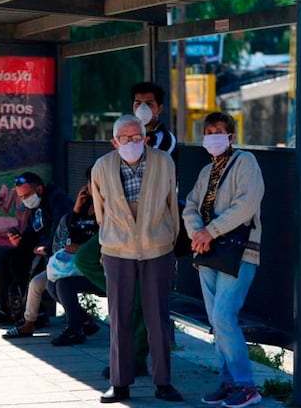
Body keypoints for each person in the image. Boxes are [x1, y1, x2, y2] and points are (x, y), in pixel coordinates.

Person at [74, 81, 178, 379]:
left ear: (159, 108)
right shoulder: (120, 142)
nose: (142, 108)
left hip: (153, 228)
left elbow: (165, 190)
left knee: (151, 304)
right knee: (86, 259)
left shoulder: (163, 142)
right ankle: (129, 301)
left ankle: (137, 357)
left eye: (148, 103)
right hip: (120, 230)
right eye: (136, 102)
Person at [91, 115, 182, 403]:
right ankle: (119, 384)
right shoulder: (102, 167)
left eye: (136, 137)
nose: (131, 143)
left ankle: (163, 382)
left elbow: (171, 206)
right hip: (118, 251)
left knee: (158, 318)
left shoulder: (164, 162)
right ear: (114, 141)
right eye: (124, 138)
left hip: (157, 248)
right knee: (119, 318)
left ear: (145, 138)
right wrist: (111, 240)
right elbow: (99, 210)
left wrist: (168, 239)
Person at [182, 112, 265, 408]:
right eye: (208, 131)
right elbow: (190, 205)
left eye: (219, 130)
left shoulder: (246, 162)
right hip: (208, 250)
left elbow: (247, 204)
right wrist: (198, 234)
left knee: (223, 317)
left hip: (238, 251)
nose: (213, 135)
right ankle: (228, 381)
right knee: (217, 321)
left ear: (231, 136)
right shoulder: (206, 171)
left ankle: (246, 385)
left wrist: (210, 231)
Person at [2, 167, 101, 345]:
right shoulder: (84, 206)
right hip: (72, 262)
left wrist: (60, 249)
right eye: (90, 182)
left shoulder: (60, 200)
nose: (24, 201)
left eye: (26, 196)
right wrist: (77, 210)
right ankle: (29, 322)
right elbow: (67, 229)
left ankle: (75, 328)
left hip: (96, 266)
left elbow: (107, 240)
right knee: (37, 277)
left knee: (60, 283)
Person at [0, 171, 72, 327]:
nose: (24, 200)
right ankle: (5, 311)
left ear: (39, 190)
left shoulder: (56, 199)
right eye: (21, 197)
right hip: (41, 250)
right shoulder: (36, 207)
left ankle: (37, 313)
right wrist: (19, 241)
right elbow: (32, 233)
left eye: (26, 195)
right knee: (8, 256)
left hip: (59, 252)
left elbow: (60, 226)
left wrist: (47, 248)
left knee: (17, 262)